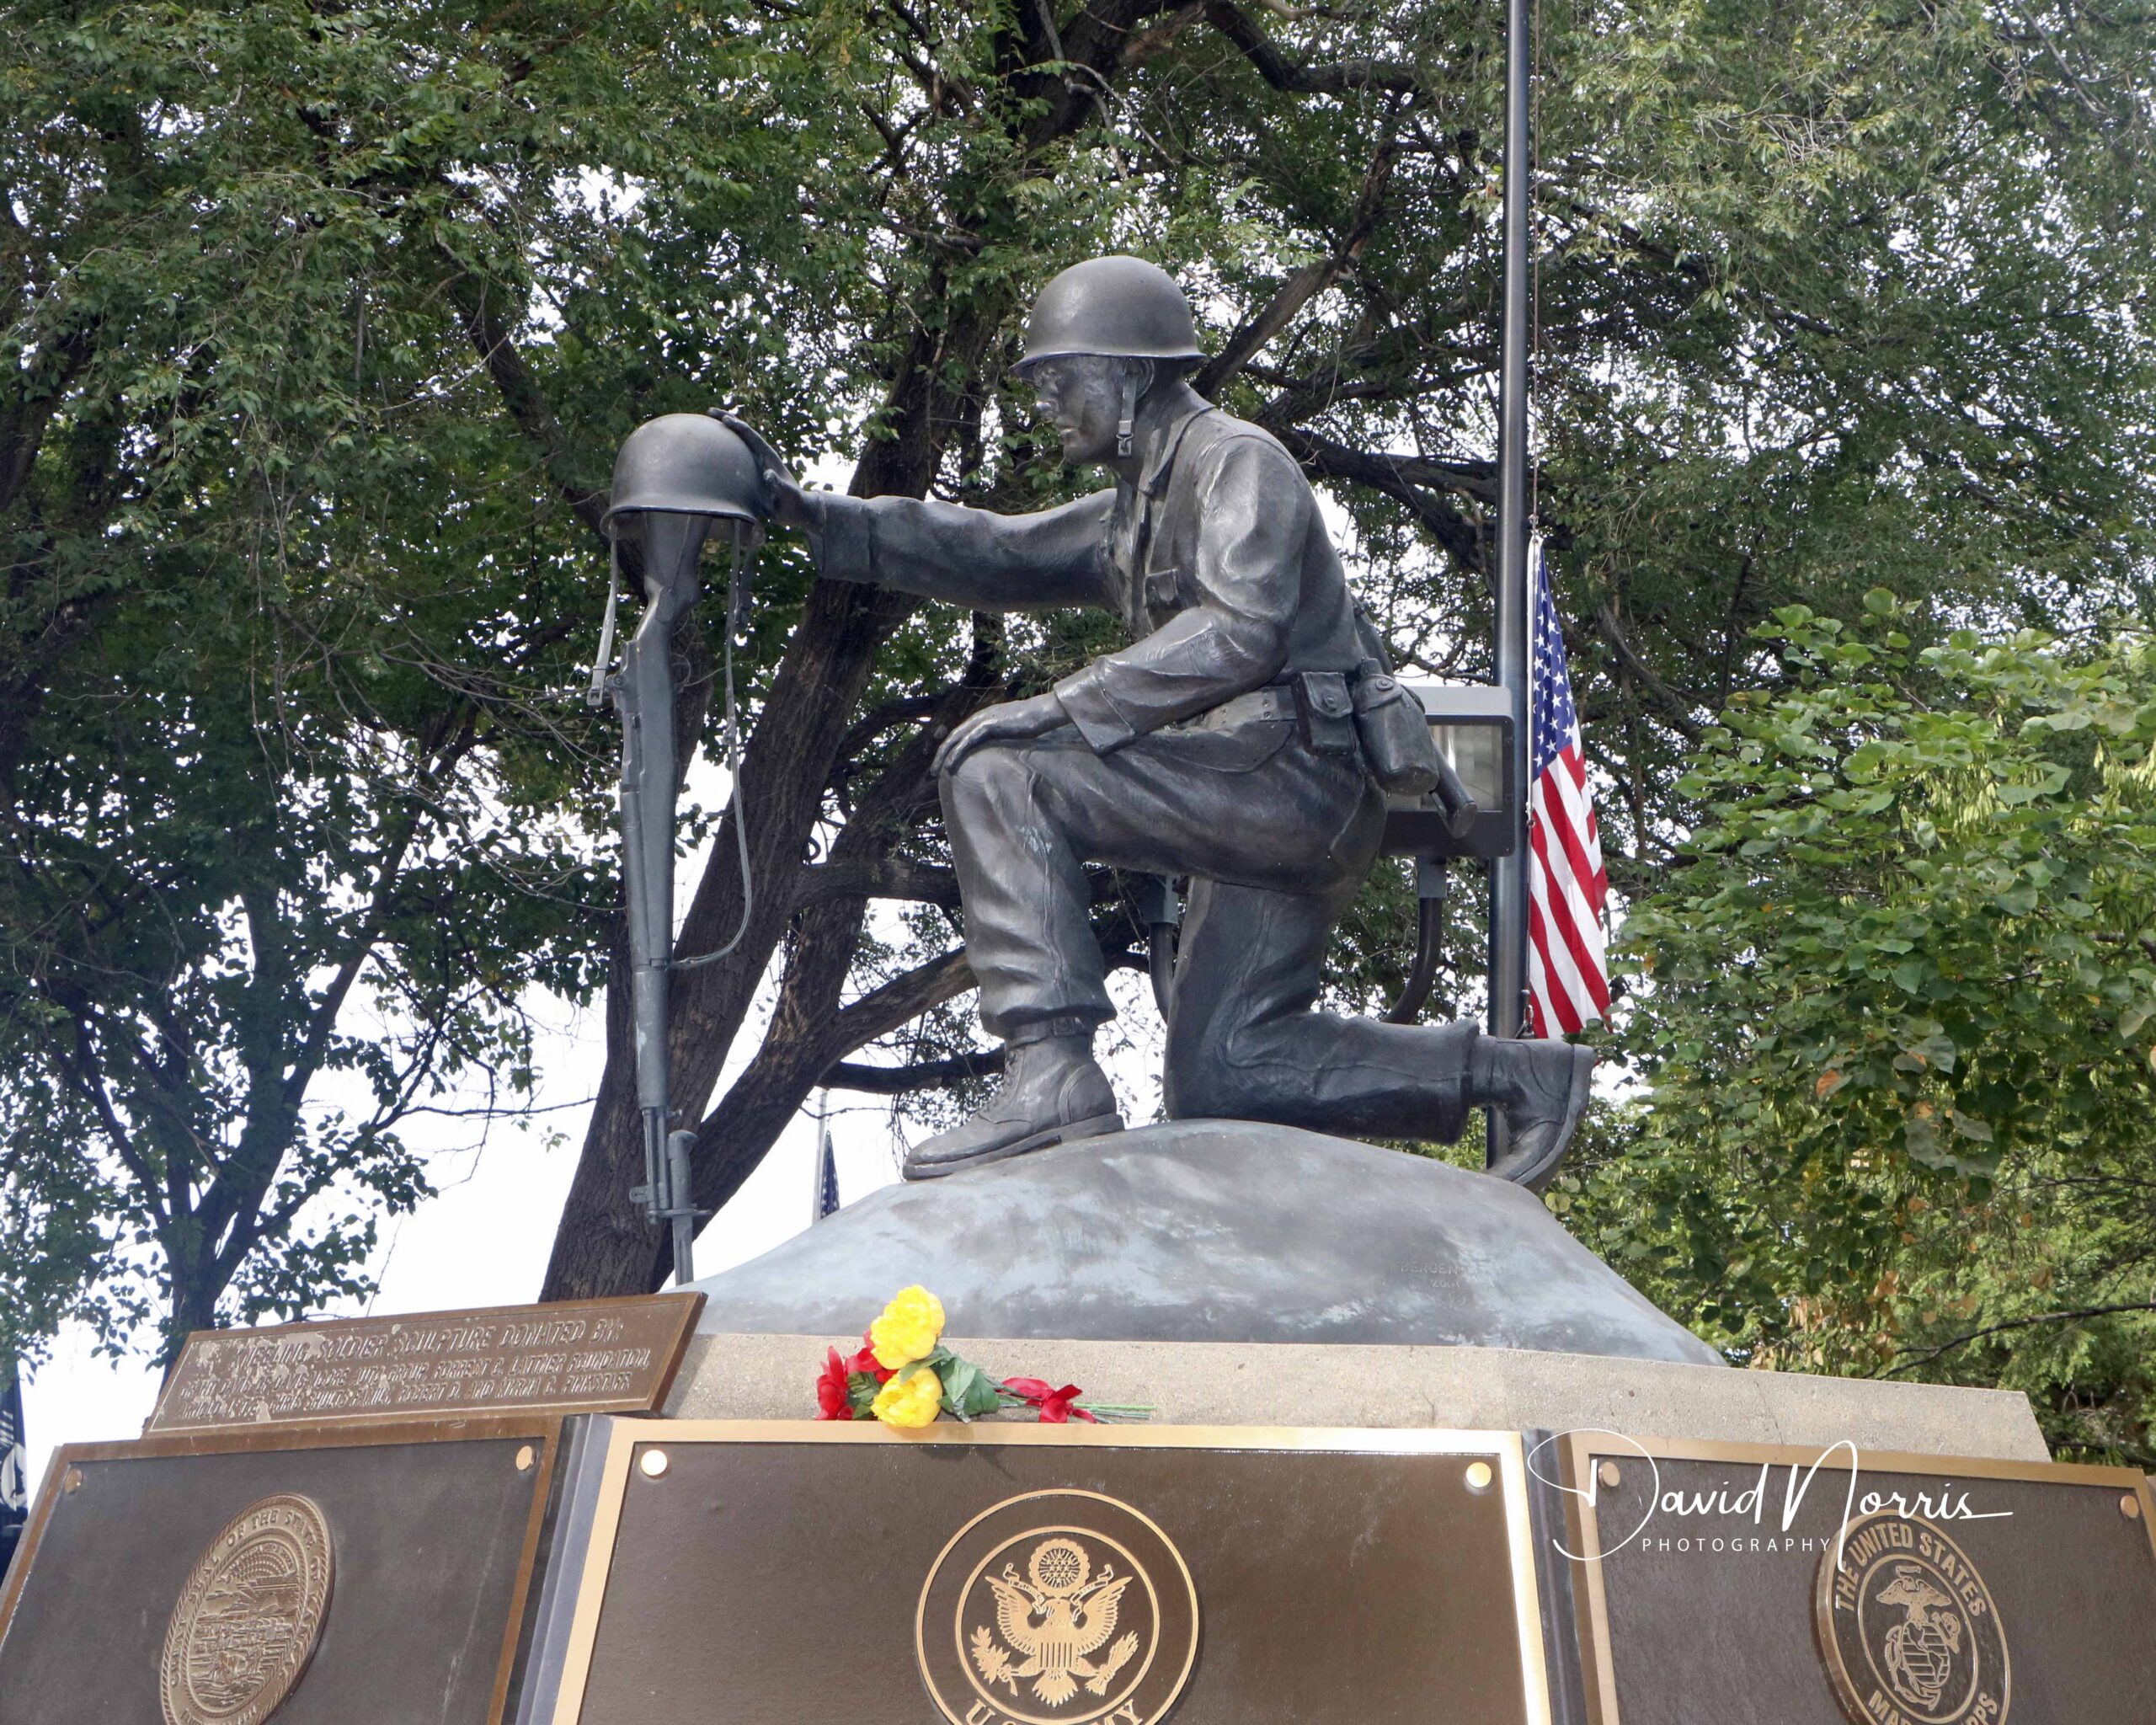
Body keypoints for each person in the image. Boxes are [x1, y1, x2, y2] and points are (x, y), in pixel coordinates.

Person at [728, 256, 1592, 1185]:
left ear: (1129, 373)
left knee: (998, 770)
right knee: (1227, 1068)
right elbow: (997, 550)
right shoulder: (1133, 504)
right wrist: (815, 516)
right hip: (1253, 784)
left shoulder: (1237, 462)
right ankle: (1514, 1073)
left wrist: (1054, 711)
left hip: (1296, 776)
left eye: (1062, 380)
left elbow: (1240, 629)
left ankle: (1050, 1067)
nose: (1048, 404)